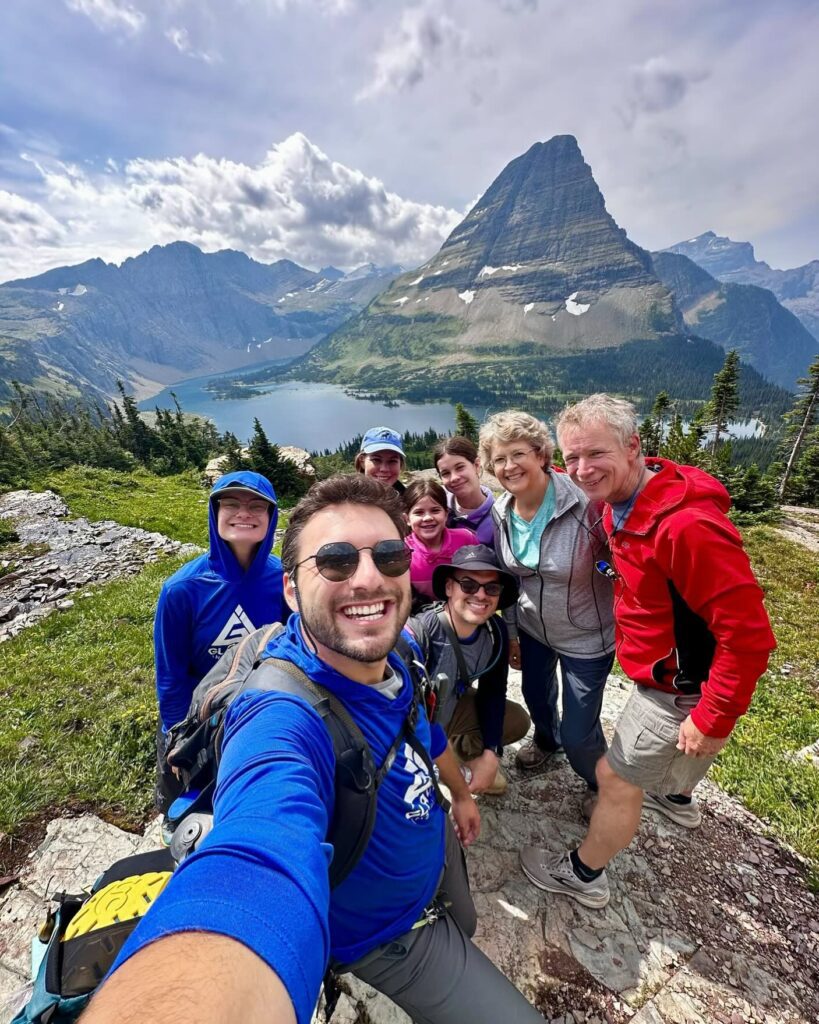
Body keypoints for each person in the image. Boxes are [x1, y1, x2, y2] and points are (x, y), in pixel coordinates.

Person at [86, 475, 544, 1024]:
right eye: (335, 562)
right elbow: (257, 857)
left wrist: (460, 797)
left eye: (390, 556)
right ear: (290, 590)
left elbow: (423, 731)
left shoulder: (395, 652)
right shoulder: (279, 716)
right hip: (391, 936)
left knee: (465, 926)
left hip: (434, 847)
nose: (370, 578)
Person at [518, 394, 776, 909]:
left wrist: (713, 715)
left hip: (674, 687)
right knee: (653, 765)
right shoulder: (626, 504)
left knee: (613, 777)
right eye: (572, 459)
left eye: (596, 454)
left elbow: (748, 636)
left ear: (634, 446)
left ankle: (584, 874)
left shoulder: (686, 527)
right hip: (669, 671)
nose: (583, 471)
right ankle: (675, 799)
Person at [479, 411, 615, 793]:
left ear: (541, 455)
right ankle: (545, 741)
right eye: (499, 459)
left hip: (587, 635)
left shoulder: (586, 503)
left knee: (579, 731)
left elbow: (625, 560)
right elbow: (507, 578)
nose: (509, 466)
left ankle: (598, 786)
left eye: (518, 454)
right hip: (533, 629)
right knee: (537, 698)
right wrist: (511, 631)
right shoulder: (501, 510)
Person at [153, 470, 286, 811]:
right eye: (231, 503)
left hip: (259, 711)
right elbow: (171, 675)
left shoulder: (283, 579)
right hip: (198, 718)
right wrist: (177, 736)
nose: (244, 512)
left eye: (258, 505)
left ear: (271, 517)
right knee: (186, 806)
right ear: (215, 513)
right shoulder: (183, 589)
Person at [409, 544, 530, 796]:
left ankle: (457, 751)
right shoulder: (420, 633)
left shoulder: (494, 632)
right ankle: (440, 760)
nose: (481, 595)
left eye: (491, 588)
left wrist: (491, 752)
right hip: (413, 725)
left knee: (516, 720)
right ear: (449, 588)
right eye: (468, 585)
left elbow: (493, 693)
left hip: (449, 708)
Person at [404, 477, 475, 608]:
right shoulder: (402, 552)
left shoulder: (466, 539)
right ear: (407, 518)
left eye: (435, 510)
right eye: (419, 512)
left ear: (446, 514)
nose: (427, 518)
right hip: (422, 620)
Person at [434, 435, 496, 546]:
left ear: (477, 465)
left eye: (460, 467)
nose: (454, 478)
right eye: (445, 473)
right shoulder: (435, 505)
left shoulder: (499, 516)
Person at [355, 425, 406, 493]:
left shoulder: (410, 501)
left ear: (400, 464)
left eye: (392, 461)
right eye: (376, 460)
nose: (384, 469)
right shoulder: (344, 498)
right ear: (362, 461)